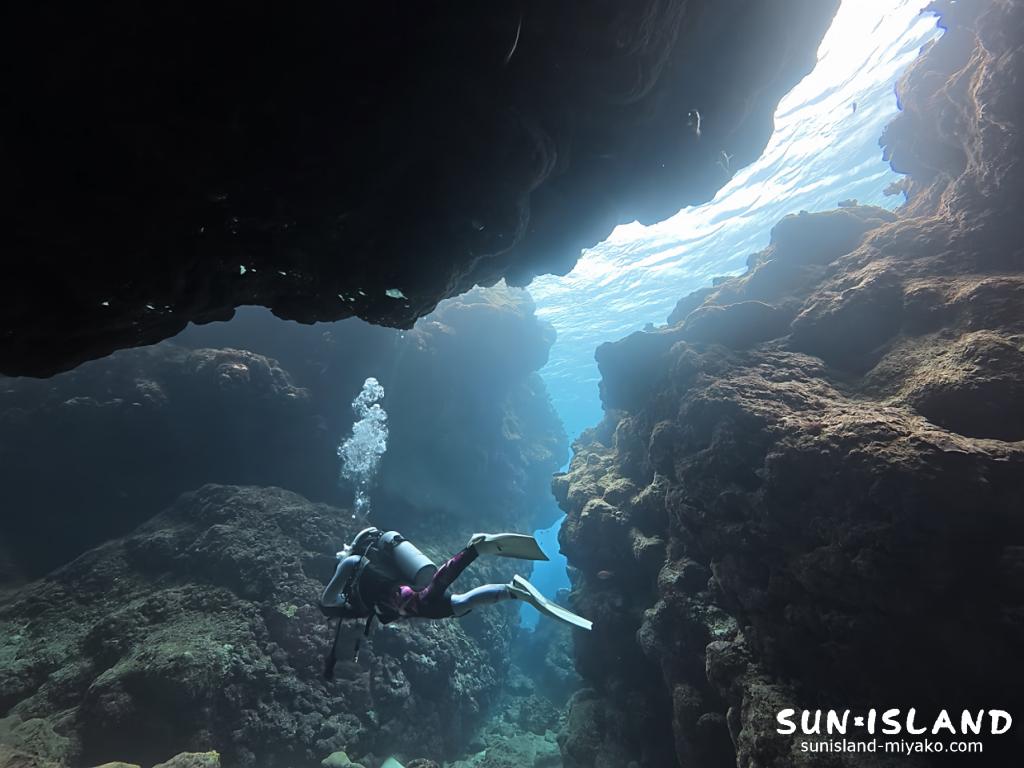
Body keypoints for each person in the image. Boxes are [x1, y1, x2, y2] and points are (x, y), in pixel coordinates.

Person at [319, 527, 591, 677]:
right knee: (460, 603)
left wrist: (340, 600)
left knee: (435, 590)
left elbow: (326, 603)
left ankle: (474, 548)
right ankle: (512, 591)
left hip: (410, 599)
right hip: (412, 599)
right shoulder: (364, 575)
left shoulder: (351, 563)